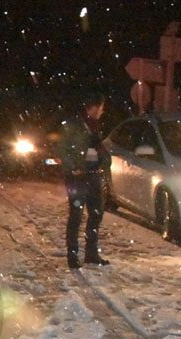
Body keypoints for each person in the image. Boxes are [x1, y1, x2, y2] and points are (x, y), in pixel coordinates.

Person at [55, 92, 111, 269]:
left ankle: (91, 254)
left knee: (96, 212)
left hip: (93, 174)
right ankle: (72, 256)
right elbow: (61, 148)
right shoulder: (74, 124)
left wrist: (104, 162)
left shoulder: (94, 126)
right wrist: (73, 167)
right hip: (77, 177)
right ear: (93, 107)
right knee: (76, 215)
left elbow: (97, 148)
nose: (102, 112)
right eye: (100, 108)